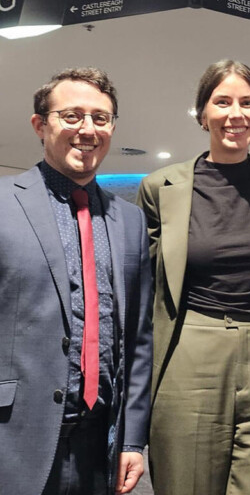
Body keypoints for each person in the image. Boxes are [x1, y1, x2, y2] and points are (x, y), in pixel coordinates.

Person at [136, 59, 250, 495]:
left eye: (248, 103)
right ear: (202, 112)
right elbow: (145, 286)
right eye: (223, 101)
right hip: (189, 350)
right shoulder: (161, 187)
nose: (236, 114)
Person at [0, 67, 152, 494]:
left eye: (100, 118)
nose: (87, 129)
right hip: (13, 436)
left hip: (100, 444)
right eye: (72, 115)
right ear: (40, 125)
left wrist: (134, 438)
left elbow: (138, 339)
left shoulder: (130, 221)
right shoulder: (4, 203)